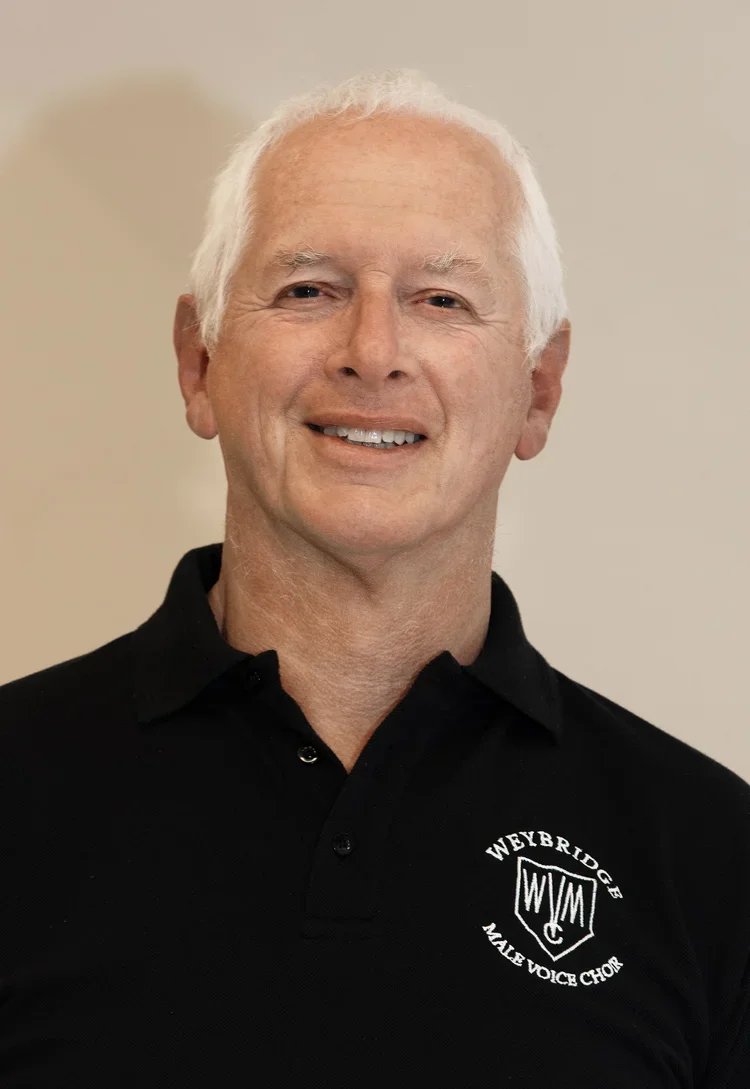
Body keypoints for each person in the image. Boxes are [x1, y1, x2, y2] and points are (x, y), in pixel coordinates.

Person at [0, 69, 748, 1088]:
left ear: (538, 390)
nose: (373, 352)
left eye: (442, 300)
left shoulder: (711, 856)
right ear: (198, 361)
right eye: (309, 289)